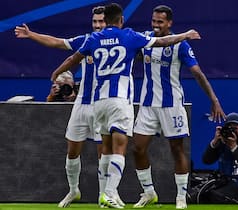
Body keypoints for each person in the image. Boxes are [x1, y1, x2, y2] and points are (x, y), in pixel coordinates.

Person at [49, 3, 202, 209]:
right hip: (120, 101)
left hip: (98, 102)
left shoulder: (94, 38)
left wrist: (57, 72)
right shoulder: (129, 35)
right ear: (121, 20)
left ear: (105, 21)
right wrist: (185, 35)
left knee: (105, 147)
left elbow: (73, 58)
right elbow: (163, 41)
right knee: (120, 148)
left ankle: (105, 195)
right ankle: (110, 193)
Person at [131, 5, 225, 209]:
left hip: (171, 104)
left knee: (176, 148)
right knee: (138, 148)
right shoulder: (145, 39)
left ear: (169, 23)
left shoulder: (180, 45)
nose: (155, 25)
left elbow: (197, 73)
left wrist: (214, 99)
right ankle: (149, 192)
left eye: (160, 22)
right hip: (147, 104)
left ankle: (181, 197)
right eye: (154, 21)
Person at [15, 6, 107, 208]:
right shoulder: (86, 41)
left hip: (103, 104)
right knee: (72, 150)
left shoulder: (117, 43)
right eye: (95, 22)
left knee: (103, 153)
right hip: (82, 104)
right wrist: (31, 34)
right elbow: (57, 43)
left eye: (101, 21)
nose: (98, 25)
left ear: (110, 22)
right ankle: (74, 191)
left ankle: (104, 195)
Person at [195, 112, 238, 204]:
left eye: (235, 128)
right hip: (226, 181)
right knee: (199, 195)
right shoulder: (223, 141)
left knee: (216, 196)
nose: (232, 131)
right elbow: (206, 160)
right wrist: (215, 142)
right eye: (230, 128)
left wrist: (234, 147)